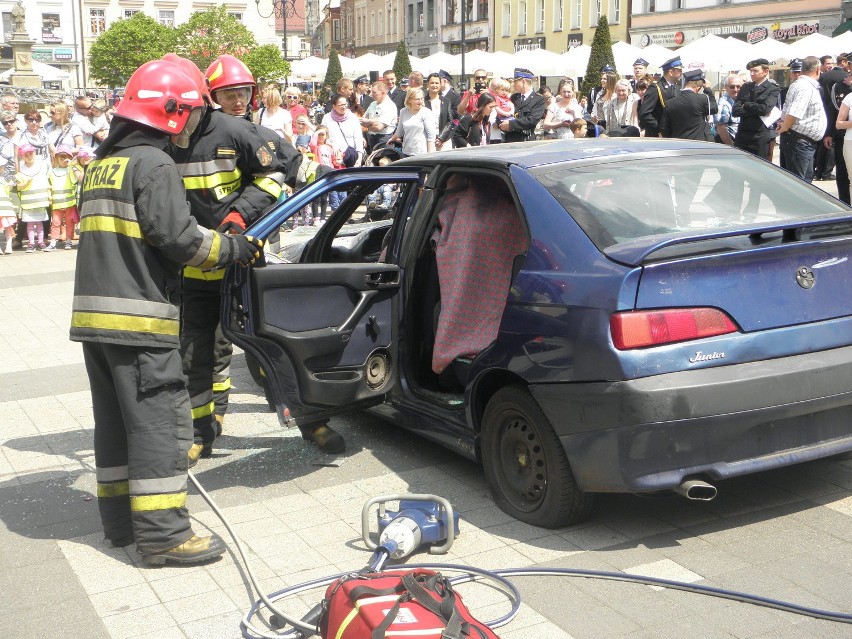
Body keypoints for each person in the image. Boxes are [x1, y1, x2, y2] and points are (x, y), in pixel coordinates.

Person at [69, 58, 263, 565]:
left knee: (114, 425)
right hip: (140, 322)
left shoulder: (102, 164)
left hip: (97, 323)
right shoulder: (152, 165)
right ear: (173, 113)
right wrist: (233, 249)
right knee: (160, 426)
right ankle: (163, 536)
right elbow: (179, 240)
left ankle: (120, 525)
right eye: (194, 112)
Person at [167, 54, 307, 462]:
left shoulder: (246, 133)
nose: (239, 99)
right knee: (198, 351)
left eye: (245, 92)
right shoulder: (167, 140)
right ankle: (202, 431)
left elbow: (284, 168)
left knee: (269, 342)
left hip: (244, 258)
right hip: (194, 264)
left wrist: (239, 214)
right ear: (209, 96)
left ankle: (308, 417)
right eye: (230, 93)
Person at [777, 56, 827, 183]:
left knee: (804, 183)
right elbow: (794, 112)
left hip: (803, 142)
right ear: (818, 69)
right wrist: (785, 127)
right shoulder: (805, 86)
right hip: (799, 142)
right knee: (798, 185)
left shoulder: (805, 85)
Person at [733, 58, 781, 161]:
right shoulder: (745, 87)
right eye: (751, 71)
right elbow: (735, 111)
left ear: (765, 72)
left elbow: (765, 109)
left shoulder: (772, 88)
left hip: (759, 136)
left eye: (755, 71)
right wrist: (756, 109)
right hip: (743, 134)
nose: (752, 73)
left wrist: (746, 105)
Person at [661, 69, 717, 141]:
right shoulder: (702, 99)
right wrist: (708, 89)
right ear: (699, 86)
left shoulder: (670, 102)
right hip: (698, 144)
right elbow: (714, 108)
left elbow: (664, 128)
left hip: (678, 144)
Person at [14, 143, 50, 252]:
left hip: (40, 201)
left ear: (34, 153)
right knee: (29, 224)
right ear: (22, 156)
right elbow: (19, 187)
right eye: (26, 155)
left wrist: (49, 196)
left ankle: (41, 242)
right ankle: (31, 243)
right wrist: (26, 183)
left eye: (31, 154)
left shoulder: (42, 164)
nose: (29, 157)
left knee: (40, 223)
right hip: (28, 203)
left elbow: (47, 180)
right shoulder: (21, 168)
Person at [47, 145, 83, 251]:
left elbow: (75, 179)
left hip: (69, 203)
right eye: (61, 158)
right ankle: (53, 241)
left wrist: (70, 164)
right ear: (56, 158)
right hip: (56, 203)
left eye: (66, 157)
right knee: (55, 223)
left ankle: (68, 241)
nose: (63, 160)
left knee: (69, 222)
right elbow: (49, 185)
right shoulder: (51, 172)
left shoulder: (71, 170)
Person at [638, 56, 684, 138]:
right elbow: (644, 113)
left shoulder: (677, 88)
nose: (681, 73)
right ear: (671, 72)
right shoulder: (655, 88)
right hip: (657, 136)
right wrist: (659, 129)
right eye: (679, 70)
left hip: (673, 135)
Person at [499, 68, 547, 143]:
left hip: (526, 139)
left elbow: (532, 120)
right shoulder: (514, 97)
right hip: (510, 139)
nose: (513, 85)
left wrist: (511, 125)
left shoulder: (538, 99)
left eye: (515, 82)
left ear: (523, 82)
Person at [827, 65, 852, 203]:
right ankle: (845, 202)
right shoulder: (838, 86)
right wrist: (828, 133)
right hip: (843, 135)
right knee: (843, 173)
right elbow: (832, 109)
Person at [389, 87, 436, 156]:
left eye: (422, 98)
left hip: (421, 153)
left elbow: (431, 136)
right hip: (406, 151)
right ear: (409, 100)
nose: (420, 101)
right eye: (417, 99)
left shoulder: (426, 112)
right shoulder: (403, 111)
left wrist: (430, 155)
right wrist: (391, 139)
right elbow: (399, 132)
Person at [359, 80, 398, 152]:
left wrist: (368, 122)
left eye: (374, 92)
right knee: (372, 161)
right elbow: (362, 120)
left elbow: (378, 127)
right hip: (371, 138)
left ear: (383, 93)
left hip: (384, 140)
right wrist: (373, 121)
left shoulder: (389, 106)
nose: (371, 94)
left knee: (384, 162)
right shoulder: (373, 104)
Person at [424, 72, 459, 149]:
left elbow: (450, 121)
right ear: (427, 84)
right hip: (427, 140)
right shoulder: (423, 101)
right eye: (432, 83)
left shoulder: (446, 101)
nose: (434, 85)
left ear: (440, 85)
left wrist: (441, 138)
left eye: (437, 83)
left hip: (444, 140)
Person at [715, 74, 743, 146]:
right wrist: (731, 145)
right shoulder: (723, 103)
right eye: (732, 87)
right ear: (726, 88)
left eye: (738, 86)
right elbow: (721, 127)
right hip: (729, 143)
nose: (736, 89)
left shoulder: (741, 101)